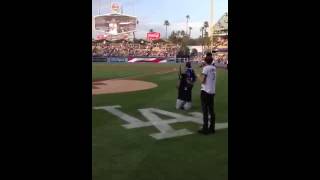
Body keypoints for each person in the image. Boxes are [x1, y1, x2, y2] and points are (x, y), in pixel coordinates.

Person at [198, 52, 217, 135]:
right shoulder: (214, 68)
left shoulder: (206, 68)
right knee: (211, 111)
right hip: (212, 91)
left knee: (205, 111)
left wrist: (198, 76)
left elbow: (203, 81)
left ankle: (205, 128)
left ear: (205, 61)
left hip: (205, 91)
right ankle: (212, 128)